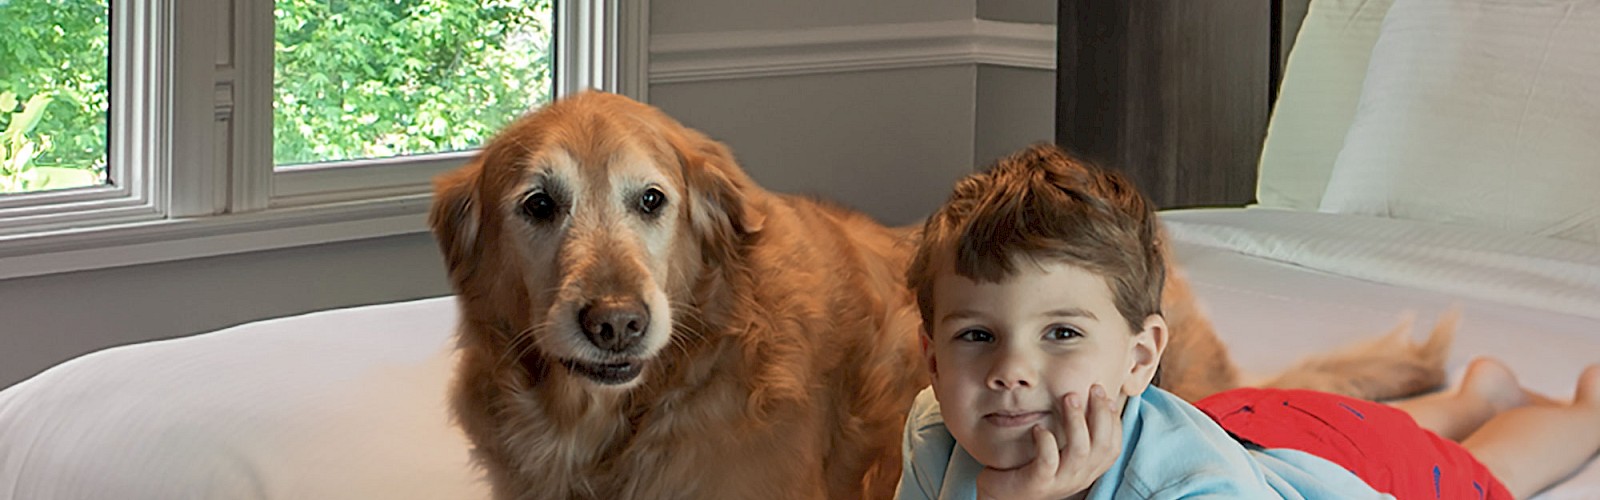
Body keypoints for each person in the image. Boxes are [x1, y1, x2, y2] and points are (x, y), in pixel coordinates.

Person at [895, 144, 1600, 500]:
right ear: (931, 357)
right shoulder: (935, 431)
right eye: (976, 336)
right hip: (1250, 423)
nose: (1009, 371)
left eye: (1062, 333)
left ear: (1141, 358)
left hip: (1336, 463)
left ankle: (1575, 408)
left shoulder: (1194, 487)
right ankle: (1472, 396)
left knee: (1491, 474)